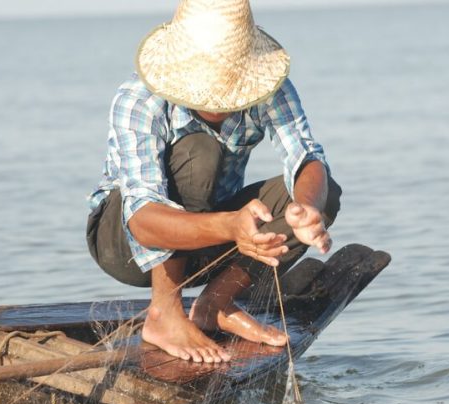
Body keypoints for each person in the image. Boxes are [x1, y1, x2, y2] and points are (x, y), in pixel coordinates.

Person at [86, 0, 341, 364]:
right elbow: (142, 220)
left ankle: (215, 305)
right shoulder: (139, 98)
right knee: (200, 153)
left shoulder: (269, 89)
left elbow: (305, 156)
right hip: (125, 245)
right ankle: (164, 313)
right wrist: (231, 225)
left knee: (323, 191)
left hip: (205, 237)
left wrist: (307, 209)